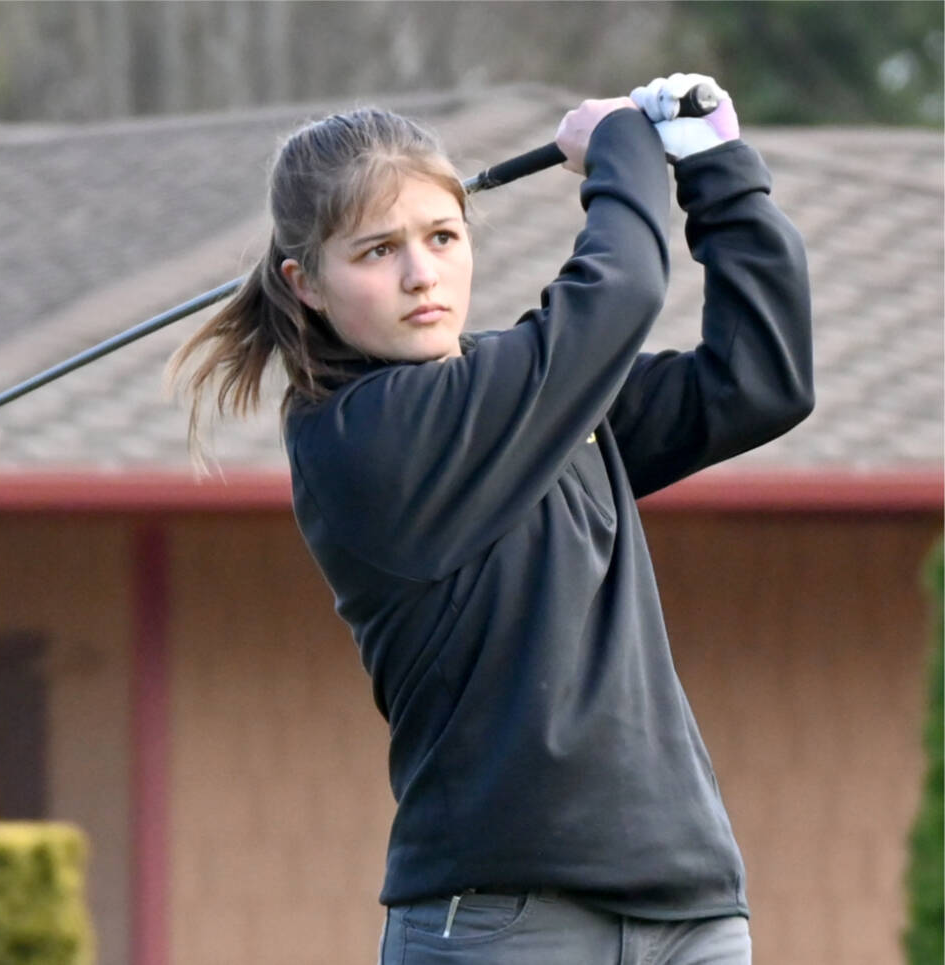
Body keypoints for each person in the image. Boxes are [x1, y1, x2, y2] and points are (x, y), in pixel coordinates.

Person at [169, 73, 813, 964]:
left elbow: (761, 380)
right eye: (376, 251)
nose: (421, 274)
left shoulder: (526, 394)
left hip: (690, 908)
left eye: (440, 235)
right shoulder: (362, 439)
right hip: (503, 924)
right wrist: (619, 148)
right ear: (305, 283)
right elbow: (616, 293)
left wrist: (720, 173)